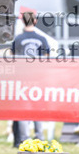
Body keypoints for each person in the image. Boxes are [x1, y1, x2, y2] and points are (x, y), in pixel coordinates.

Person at [9, 8, 50, 146]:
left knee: (22, 108)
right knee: (37, 107)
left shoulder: (18, 39)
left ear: (22, 21)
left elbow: (12, 58)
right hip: (38, 79)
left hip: (21, 78)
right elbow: (46, 59)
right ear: (35, 21)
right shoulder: (42, 39)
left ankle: (24, 139)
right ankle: (40, 137)